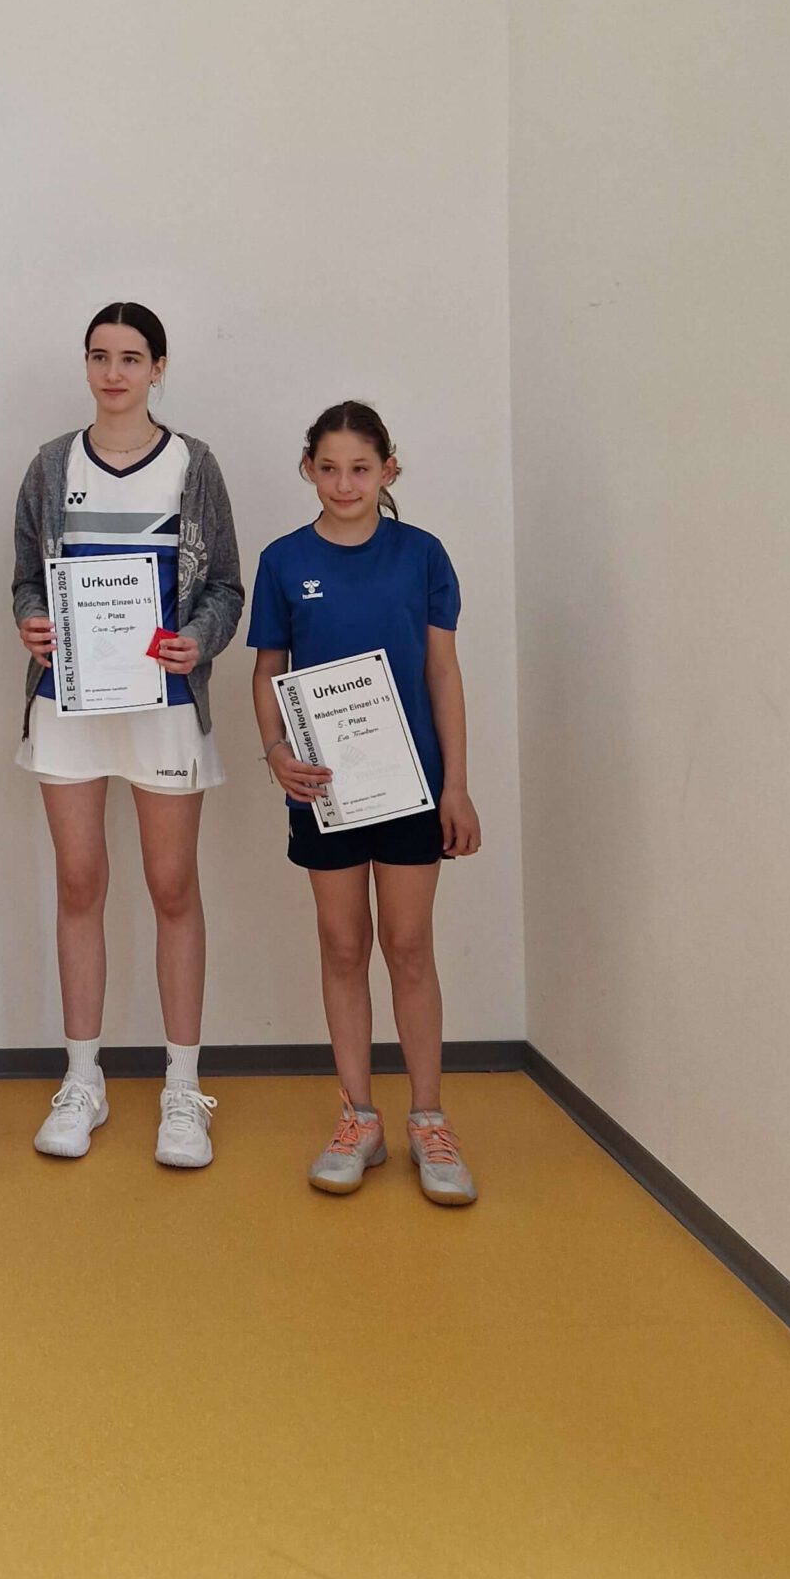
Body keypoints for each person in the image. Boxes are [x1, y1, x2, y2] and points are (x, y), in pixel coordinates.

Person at [12, 303, 243, 1168]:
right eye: (101, 356)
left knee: (172, 886)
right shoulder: (51, 464)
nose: (114, 373)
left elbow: (225, 587)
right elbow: (24, 580)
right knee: (79, 883)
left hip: (164, 704)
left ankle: (183, 1088)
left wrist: (200, 639)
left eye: (132, 358)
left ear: (158, 368)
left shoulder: (193, 465)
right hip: (67, 703)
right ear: (86, 365)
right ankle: (84, 1079)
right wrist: (32, 623)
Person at [247, 399, 482, 1205]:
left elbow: (442, 673)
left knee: (408, 946)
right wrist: (277, 753)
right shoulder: (283, 562)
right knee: (344, 947)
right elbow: (267, 670)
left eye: (360, 468)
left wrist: (455, 784)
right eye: (329, 467)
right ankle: (358, 1118)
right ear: (307, 468)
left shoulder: (423, 556)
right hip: (325, 792)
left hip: (412, 788)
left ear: (389, 470)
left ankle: (429, 1119)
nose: (344, 483)